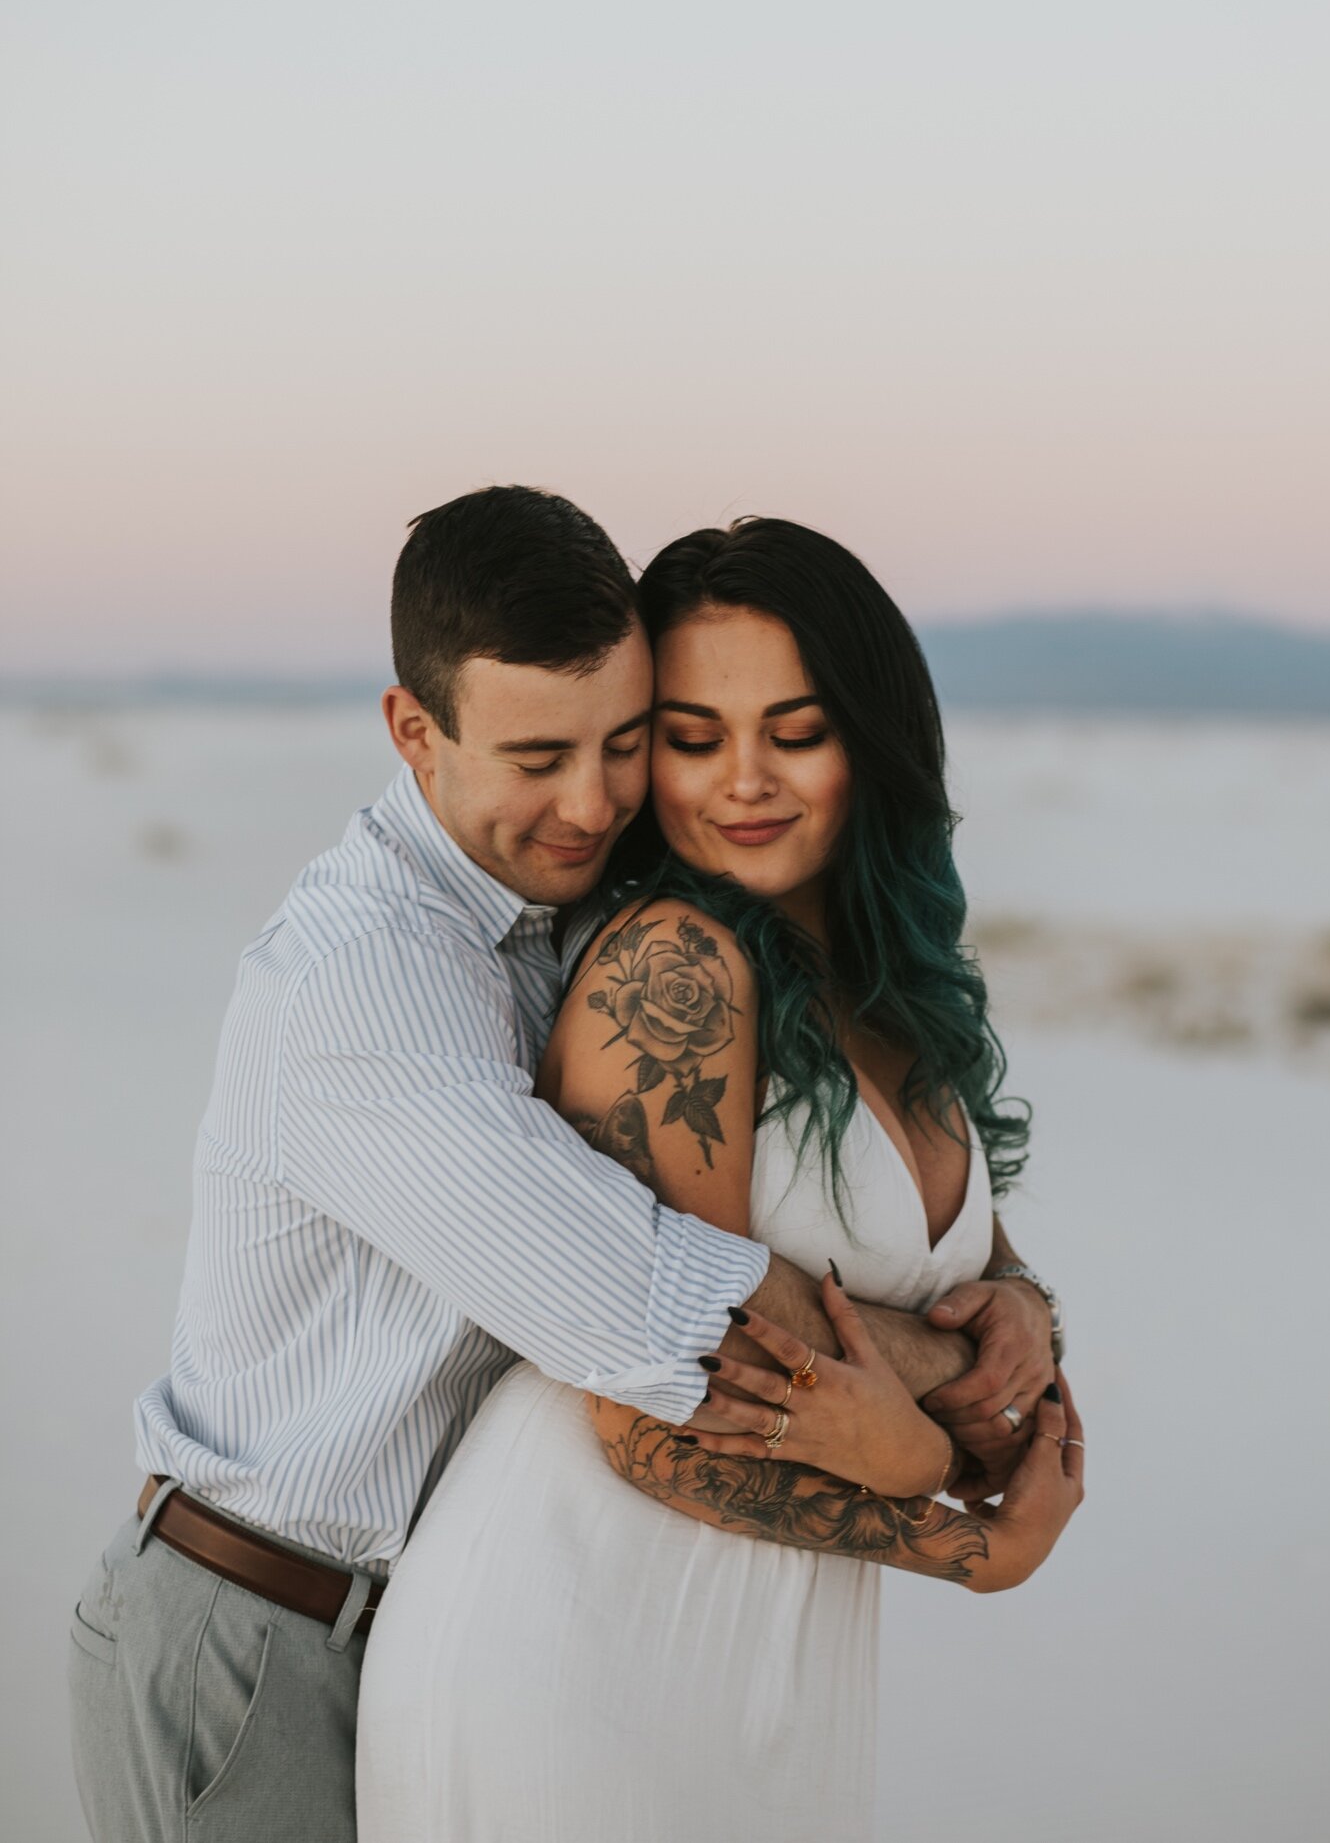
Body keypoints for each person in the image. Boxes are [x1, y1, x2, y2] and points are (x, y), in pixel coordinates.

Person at [67, 488, 1054, 1843]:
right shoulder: (370, 987)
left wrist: (1021, 1300)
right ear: (414, 730)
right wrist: (961, 1448)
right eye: (541, 754)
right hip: (258, 1626)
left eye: (628, 741)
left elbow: (830, 1220)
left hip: (424, 1606)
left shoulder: (561, 905)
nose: (594, 801)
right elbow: (644, 1307)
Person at [356, 516, 1083, 1843]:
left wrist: (1026, 1310)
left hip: (771, 1661)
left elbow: (936, 1279)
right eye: (690, 737)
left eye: (794, 729)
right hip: (577, 1644)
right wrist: (967, 1535)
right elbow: (643, 1412)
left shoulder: (882, 985)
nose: (741, 779)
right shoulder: (670, 970)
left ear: (873, 739)